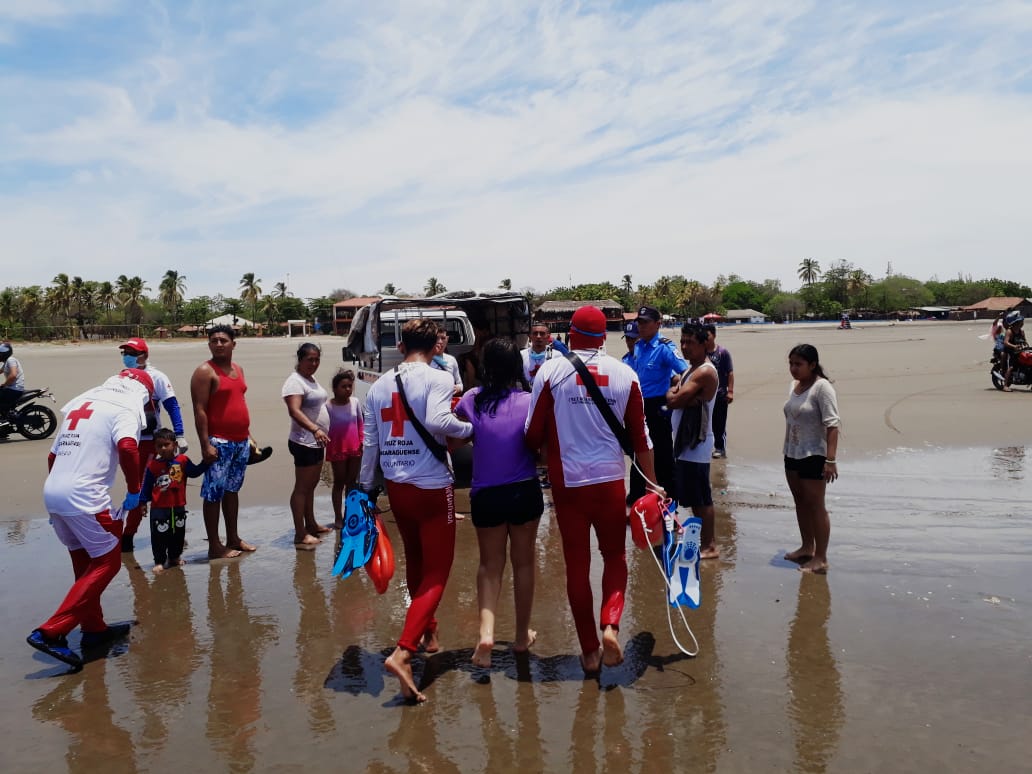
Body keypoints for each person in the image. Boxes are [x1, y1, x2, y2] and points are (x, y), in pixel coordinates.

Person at [525, 305, 660, 673]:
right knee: (615, 557)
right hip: (610, 481)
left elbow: (532, 432)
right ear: (604, 337)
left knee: (577, 566)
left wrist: (543, 450)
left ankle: (588, 650)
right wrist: (651, 483)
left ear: (570, 334)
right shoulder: (625, 374)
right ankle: (611, 626)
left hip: (568, 484)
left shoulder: (551, 372)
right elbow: (641, 439)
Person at [359, 319, 474, 702]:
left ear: (400, 343)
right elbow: (440, 422)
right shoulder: (438, 379)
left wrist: (364, 489)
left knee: (416, 562)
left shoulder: (377, 386)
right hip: (431, 484)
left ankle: (429, 633)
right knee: (438, 572)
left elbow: (371, 443)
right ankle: (404, 650)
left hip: (397, 486)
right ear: (437, 345)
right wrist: (475, 429)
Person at [27, 368, 155, 669]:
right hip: (85, 497)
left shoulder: (84, 401)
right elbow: (127, 446)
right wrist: (135, 490)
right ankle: (51, 632)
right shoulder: (125, 408)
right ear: (142, 392)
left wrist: (60, 498)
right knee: (108, 562)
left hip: (54, 492)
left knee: (84, 563)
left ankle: (94, 629)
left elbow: (52, 456)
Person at [455, 339, 542, 668]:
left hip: (486, 493)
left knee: (490, 568)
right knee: (523, 564)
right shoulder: (530, 401)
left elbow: (453, 438)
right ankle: (521, 638)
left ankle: (487, 634)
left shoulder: (471, 400)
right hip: (524, 490)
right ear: (516, 368)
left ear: (486, 367)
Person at [190, 325, 258, 560]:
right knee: (213, 494)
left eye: (223, 340)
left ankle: (233, 537)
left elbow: (238, 402)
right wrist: (205, 445)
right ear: (209, 344)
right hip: (218, 443)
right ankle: (214, 546)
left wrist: (248, 435)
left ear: (233, 344)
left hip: (240, 442)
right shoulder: (204, 371)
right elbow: (199, 410)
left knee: (232, 491)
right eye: (214, 340)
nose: (218, 344)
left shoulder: (238, 369)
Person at [117, 337, 189, 552]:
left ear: (144, 356)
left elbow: (172, 406)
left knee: (157, 489)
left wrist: (180, 434)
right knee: (136, 490)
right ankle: (131, 534)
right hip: (129, 441)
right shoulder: (121, 378)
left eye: (131, 352)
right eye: (124, 352)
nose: (127, 356)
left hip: (152, 444)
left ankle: (132, 538)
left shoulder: (156, 377)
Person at [783, 344, 840, 575]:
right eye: (791, 364)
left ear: (813, 365)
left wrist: (831, 460)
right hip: (791, 453)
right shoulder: (794, 386)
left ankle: (821, 558)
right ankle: (807, 547)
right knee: (800, 502)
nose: (793, 369)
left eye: (799, 364)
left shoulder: (822, 388)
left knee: (816, 506)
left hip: (814, 455)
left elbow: (833, 424)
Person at [666, 324, 720, 559]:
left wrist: (675, 395)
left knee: (701, 496)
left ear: (704, 344)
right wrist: (675, 395)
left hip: (697, 442)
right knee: (692, 496)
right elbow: (673, 395)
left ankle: (710, 545)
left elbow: (674, 401)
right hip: (684, 441)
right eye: (683, 341)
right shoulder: (691, 370)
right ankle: (703, 541)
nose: (685, 346)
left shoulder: (705, 372)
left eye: (691, 342)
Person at [627, 305, 687, 504]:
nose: (641, 326)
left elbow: (684, 372)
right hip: (639, 404)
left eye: (645, 322)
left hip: (658, 406)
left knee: (662, 454)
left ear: (657, 324)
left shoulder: (664, 347)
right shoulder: (638, 346)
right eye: (639, 322)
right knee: (638, 452)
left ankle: (669, 499)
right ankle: (637, 497)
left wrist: (674, 393)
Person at [281, 342, 331, 549]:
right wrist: (315, 429)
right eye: (309, 359)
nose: (314, 363)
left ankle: (310, 523)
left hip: (316, 442)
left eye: (317, 359)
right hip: (304, 441)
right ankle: (300, 533)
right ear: (300, 360)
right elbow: (294, 411)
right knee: (301, 488)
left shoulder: (310, 379)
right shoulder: (294, 382)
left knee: (310, 486)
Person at [139, 428, 208, 574]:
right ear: (155, 447)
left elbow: (194, 472)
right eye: (159, 446)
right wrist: (143, 502)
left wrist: (206, 463)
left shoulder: (182, 461)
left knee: (178, 534)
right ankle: (159, 561)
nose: (163, 448)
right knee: (159, 535)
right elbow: (146, 486)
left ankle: (174, 557)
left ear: (175, 445)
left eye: (166, 444)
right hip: (159, 508)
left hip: (178, 506)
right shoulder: (153, 465)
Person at [326, 369, 363, 529]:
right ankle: (338, 517)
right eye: (343, 386)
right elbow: (323, 428)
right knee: (339, 482)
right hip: (337, 449)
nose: (347, 389)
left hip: (355, 448)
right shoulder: (327, 406)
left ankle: (350, 514)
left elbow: (361, 424)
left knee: (352, 482)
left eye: (350, 386)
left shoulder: (355, 402)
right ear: (334, 388)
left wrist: (362, 441)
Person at [703, 324, 735, 459]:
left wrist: (730, 391)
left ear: (714, 336)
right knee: (705, 423)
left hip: (720, 395)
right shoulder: (701, 352)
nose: (705, 338)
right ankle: (706, 447)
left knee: (719, 424)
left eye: (707, 335)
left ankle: (720, 448)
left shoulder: (722, 353)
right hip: (704, 396)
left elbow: (730, 373)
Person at [429, 329, 463, 397]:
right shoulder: (425, 360)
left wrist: (458, 388)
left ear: (447, 339)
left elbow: (460, 384)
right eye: (437, 338)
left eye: (443, 338)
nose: (440, 341)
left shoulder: (451, 360)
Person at [1002, 313, 1027, 392]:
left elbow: (1025, 340)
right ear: (1016, 322)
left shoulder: (1021, 331)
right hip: (1010, 351)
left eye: (1022, 321)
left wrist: (1025, 345)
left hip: (1019, 350)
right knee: (1011, 367)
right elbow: (1005, 342)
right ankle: (1005, 385)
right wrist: (1014, 346)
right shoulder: (1009, 331)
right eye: (1020, 321)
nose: (1022, 323)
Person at [0, 341, 25, 415]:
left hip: (14, 389)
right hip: (13, 388)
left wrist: (4, 384)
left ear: (3, 354)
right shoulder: (7, 362)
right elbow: (1, 371)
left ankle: (5, 418)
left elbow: (13, 375)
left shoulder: (11, 360)